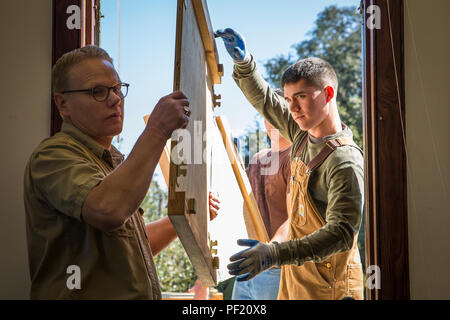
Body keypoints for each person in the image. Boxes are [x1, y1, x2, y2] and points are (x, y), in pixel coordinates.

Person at [23, 45, 220, 299]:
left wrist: (181, 218)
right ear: (63, 104)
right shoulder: (52, 157)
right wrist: (157, 130)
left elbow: (131, 247)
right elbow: (108, 209)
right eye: (98, 92)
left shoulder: (114, 162)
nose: (115, 99)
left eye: (117, 89)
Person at [215, 28, 364, 300]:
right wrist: (244, 64)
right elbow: (264, 100)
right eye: (288, 99)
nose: (292, 108)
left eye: (302, 97)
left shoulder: (345, 160)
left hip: (332, 289)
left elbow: (341, 234)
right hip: (296, 286)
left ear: (328, 94)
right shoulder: (300, 135)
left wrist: (273, 254)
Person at [231, 114, 292, 300]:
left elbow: (295, 219)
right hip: (247, 264)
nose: (272, 121)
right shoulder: (258, 159)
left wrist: (269, 252)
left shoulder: (295, 159)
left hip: (276, 268)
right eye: (267, 115)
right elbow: (241, 203)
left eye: (277, 113)